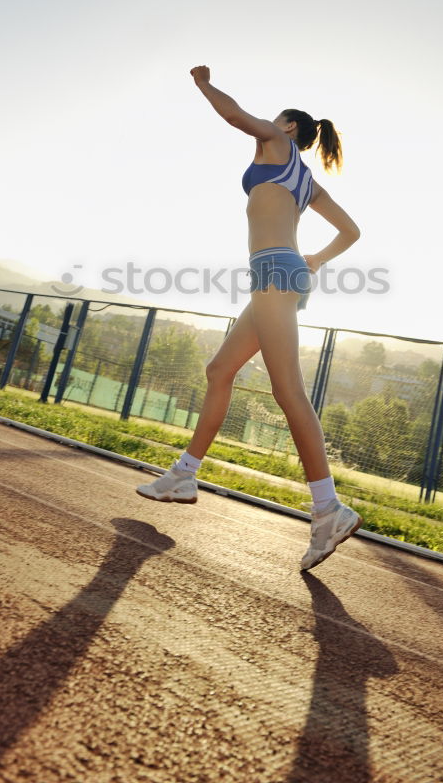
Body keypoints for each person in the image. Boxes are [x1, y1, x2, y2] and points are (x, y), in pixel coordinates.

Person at [136, 66, 363, 571]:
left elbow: (235, 114)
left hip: (275, 274)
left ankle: (328, 509)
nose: (268, 124)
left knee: (289, 392)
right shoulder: (306, 181)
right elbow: (351, 232)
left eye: (275, 120)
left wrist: (201, 84)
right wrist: (314, 261)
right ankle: (184, 474)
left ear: (286, 130)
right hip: (279, 272)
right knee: (219, 371)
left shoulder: (276, 147)